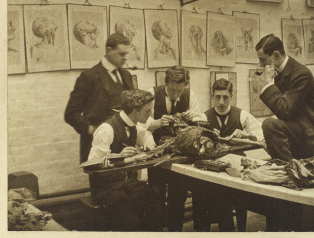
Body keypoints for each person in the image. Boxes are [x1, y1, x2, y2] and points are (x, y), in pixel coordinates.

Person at [87, 90, 166, 231]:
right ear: (135, 111)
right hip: (106, 188)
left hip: (128, 183)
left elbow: (145, 135)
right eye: (148, 111)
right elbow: (91, 165)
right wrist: (118, 156)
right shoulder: (106, 129)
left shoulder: (135, 124)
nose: (150, 115)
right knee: (131, 222)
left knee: (159, 209)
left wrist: (149, 145)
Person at [194, 78, 264, 232]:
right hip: (213, 170)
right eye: (217, 97)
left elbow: (261, 134)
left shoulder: (242, 115)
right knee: (207, 193)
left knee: (224, 193)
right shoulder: (204, 118)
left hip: (236, 170)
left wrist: (247, 135)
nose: (221, 102)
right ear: (212, 97)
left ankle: (229, 230)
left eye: (225, 97)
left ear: (231, 97)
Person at [254, 34, 314, 162]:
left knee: (269, 124)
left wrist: (268, 83)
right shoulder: (280, 73)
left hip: (311, 140)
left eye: (263, 60)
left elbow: (285, 110)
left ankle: (286, 169)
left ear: (276, 55)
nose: (260, 65)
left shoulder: (301, 74)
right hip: (299, 133)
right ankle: (284, 168)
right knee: (269, 125)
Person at [144, 65, 201, 232]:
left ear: (186, 85)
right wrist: (156, 123)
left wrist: (193, 118)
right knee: (156, 198)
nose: (176, 94)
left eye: (180, 90)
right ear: (166, 82)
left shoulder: (190, 96)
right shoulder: (152, 94)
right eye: (172, 89)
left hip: (180, 157)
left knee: (179, 197)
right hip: (156, 155)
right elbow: (141, 124)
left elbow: (199, 122)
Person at [64, 33, 135, 164]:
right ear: (109, 50)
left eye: (127, 54)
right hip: (99, 143)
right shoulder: (89, 76)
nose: (125, 58)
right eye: (121, 54)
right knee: (102, 182)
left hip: (124, 143)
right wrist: (91, 129)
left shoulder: (126, 75)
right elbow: (70, 114)